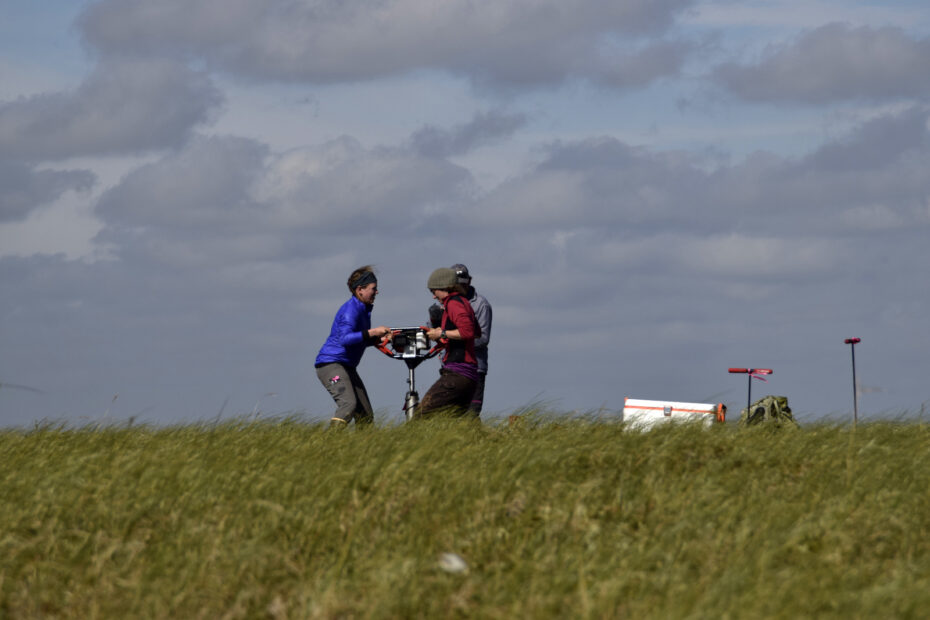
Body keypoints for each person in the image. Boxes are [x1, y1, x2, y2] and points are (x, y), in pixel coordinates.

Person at [315, 266, 392, 427]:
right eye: (373, 288)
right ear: (360, 289)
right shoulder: (351, 310)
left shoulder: (363, 309)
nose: (376, 292)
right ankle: (327, 444)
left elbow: (360, 339)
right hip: (331, 365)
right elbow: (345, 339)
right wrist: (373, 332)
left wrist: (379, 338)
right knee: (348, 405)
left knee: (365, 416)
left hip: (347, 367)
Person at [419, 267, 479, 418]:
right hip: (469, 376)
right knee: (451, 424)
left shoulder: (453, 303)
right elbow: (477, 331)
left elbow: (468, 332)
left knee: (420, 416)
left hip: (457, 373)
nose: (433, 297)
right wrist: (445, 333)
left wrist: (442, 333)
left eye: (434, 291)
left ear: (444, 287)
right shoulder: (464, 302)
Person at [450, 264, 492, 415]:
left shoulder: (481, 304)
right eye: (457, 283)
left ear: (469, 280)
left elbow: (483, 338)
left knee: (471, 415)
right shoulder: (445, 303)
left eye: (463, 282)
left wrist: (452, 339)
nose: (461, 286)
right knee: (451, 415)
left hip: (475, 369)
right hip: (451, 368)